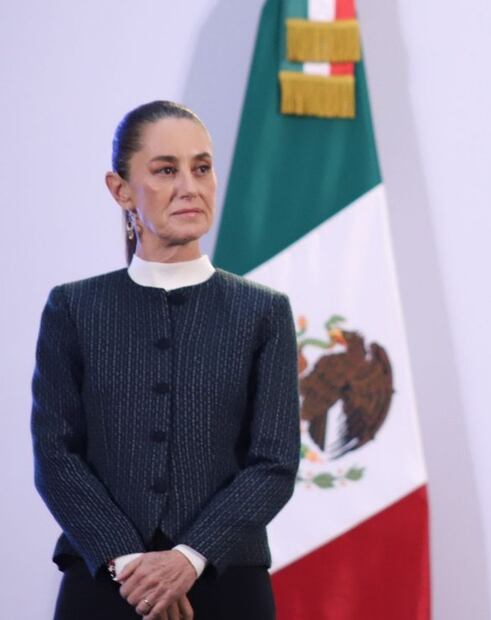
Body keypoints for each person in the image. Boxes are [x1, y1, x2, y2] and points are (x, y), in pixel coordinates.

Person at [31, 100, 301, 619]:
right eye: (165, 170)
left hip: (227, 584)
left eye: (201, 168)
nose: (189, 187)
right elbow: (57, 456)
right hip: (104, 584)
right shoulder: (73, 308)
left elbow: (274, 461)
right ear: (121, 190)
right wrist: (130, 563)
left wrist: (189, 557)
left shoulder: (264, 312)